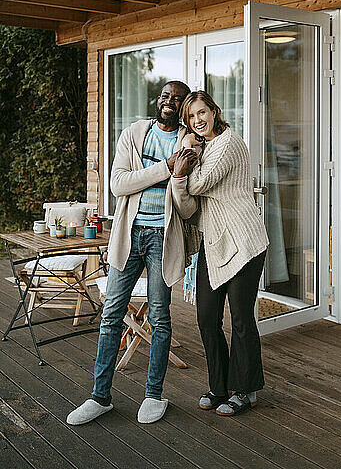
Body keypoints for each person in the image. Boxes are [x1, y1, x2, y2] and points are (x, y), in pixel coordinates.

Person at [67, 81, 198, 426]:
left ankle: (154, 395)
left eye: (178, 99)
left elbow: (186, 210)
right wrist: (165, 168)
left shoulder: (190, 146)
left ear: (184, 107)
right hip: (129, 234)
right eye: (165, 95)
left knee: (160, 317)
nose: (170, 102)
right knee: (111, 315)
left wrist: (180, 176)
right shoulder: (135, 134)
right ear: (158, 100)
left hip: (162, 239)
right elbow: (118, 184)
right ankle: (100, 397)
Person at [171, 90, 269, 416]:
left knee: (241, 320)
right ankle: (220, 385)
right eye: (191, 117)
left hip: (243, 241)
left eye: (202, 113)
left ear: (214, 110)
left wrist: (186, 152)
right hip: (213, 243)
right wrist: (191, 152)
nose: (198, 120)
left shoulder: (227, 143)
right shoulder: (205, 146)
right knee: (206, 318)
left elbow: (197, 184)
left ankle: (245, 390)